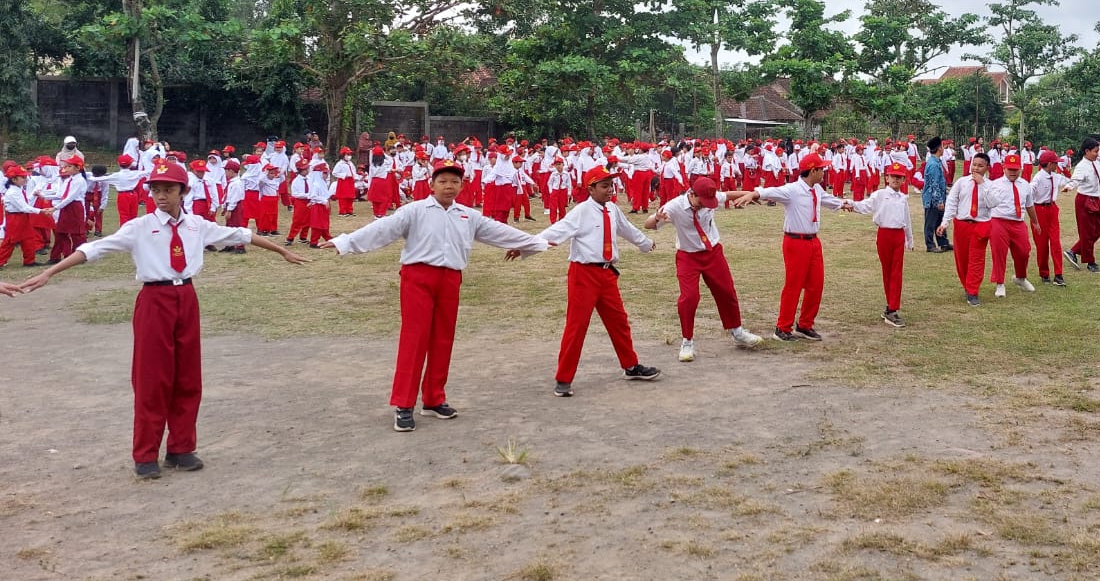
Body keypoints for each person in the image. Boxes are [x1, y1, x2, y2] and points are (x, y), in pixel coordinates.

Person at [16, 160, 307, 478]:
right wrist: (50, 272)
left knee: (188, 377)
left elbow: (242, 234)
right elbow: (94, 248)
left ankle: (181, 448)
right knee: (152, 378)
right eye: (156, 190)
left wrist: (282, 252)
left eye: (168, 189)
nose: (161, 196)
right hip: (155, 300)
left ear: (183, 191)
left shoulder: (197, 225)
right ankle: (145, 454)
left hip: (187, 298)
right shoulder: (139, 227)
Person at [326, 160, 549, 431]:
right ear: (432, 185)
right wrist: (346, 242)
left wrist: (536, 242)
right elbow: (383, 229)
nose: (449, 186)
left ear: (462, 186)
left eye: (454, 182)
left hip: (450, 279)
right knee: (415, 339)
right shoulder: (415, 210)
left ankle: (434, 398)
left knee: (443, 338)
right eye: (443, 181)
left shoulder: (468, 215)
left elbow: (498, 231)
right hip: (417, 278)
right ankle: (404, 404)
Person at [533, 165, 662, 396]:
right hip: (583, 274)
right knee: (576, 326)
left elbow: (627, 229)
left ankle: (631, 366)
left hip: (607, 274)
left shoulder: (612, 209)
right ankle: (563, 378)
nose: (610, 190)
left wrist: (645, 243)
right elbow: (556, 231)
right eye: (604, 186)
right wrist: (525, 246)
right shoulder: (581, 211)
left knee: (619, 321)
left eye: (611, 185)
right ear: (590, 189)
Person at [644, 176, 764, 360]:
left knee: (727, 291)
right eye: (702, 202)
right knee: (689, 298)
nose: (705, 206)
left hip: (713, 252)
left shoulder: (710, 199)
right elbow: (648, 224)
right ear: (692, 194)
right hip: (687, 256)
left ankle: (737, 332)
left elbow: (728, 195)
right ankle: (687, 342)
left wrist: (752, 194)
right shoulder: (674, 206)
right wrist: (656, 219)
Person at [755, 152, 850, 341]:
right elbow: (771, 191)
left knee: (816, 285)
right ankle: (782, 327)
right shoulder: (793, 190)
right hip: (795, 242)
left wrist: (845, 204)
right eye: (821, 169)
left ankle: (805, 324)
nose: (824, 172)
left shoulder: (816, 189)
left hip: (813, 241)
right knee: (794, 285)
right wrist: (755, 193)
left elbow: (829, 200)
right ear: (813, 171)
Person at [847, 161, 915, 325]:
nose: (895, 180)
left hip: (898, 235)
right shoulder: (880, 195)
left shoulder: (903, 198)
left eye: (899, 177)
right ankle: (890, 306)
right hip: (884, 234)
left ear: (903, 180)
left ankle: (892, 308)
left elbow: (907, 219)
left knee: (896, 272)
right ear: (887, 178)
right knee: (887, 271)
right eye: (893, 176)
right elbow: (865, 206)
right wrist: (851, 204)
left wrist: (910, 239)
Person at [937, 150, 992, 305]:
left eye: (980, 166)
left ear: (987, 168)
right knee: (962, 259)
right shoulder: (961, 182)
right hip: (962, 225)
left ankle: (973, 291)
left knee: (976, 259)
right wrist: (945, 223)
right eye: (974, 165)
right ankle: (967, 285)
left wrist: (982, 185)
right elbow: (952, 202)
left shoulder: (990, 185)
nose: (976, 168)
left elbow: (993, 202)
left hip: (980, 225)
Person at [981, 153, 1036, 296]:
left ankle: (1020, 278)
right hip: (999, 221)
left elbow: (1029, 205)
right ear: (1004, 168)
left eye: (1016, 169)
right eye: (1010, 169)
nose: (1013, 172)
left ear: (1021, 169)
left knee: (1024, 251)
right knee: (999, 253)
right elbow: (987, 204)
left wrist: (1035, 222)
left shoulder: (1025, 185)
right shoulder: (995, 184)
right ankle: (1000, 283)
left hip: (1018, 223)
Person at [1065, 140, 1100, 273]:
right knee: (1087, 233)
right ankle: (1090, 262)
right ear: (1087, 151)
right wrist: (1069, 186)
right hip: (1084, 200)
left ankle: (1073, 251)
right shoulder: (1081, 166)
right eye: (1095, 151)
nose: (1097, 154)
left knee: (1097, 231)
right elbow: (1075, 180)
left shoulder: (1096, 163)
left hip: (1095, 199)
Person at [1029, 149, 1069, 285]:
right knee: (1042, 245)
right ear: (1050, 164)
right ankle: (1044, 273)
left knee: (1056, 242)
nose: (1057, 165)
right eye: (1056, 163)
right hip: (1039, 210)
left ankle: (1058, 275)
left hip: (1052, 209)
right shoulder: (1038, 177)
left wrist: (1075, 182)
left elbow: (1067, 181)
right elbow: (1030, 190)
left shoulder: (1055, 176)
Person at [921, 137, 954, 253]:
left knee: (940, 220)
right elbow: (934, 184)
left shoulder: (936, 161)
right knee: (930, 222)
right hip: (932, 199)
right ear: (939, 148)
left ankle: (943, 242)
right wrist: (939, 201)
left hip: (938, 197)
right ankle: (930, 245)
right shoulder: (933, 164)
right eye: (942, 146)